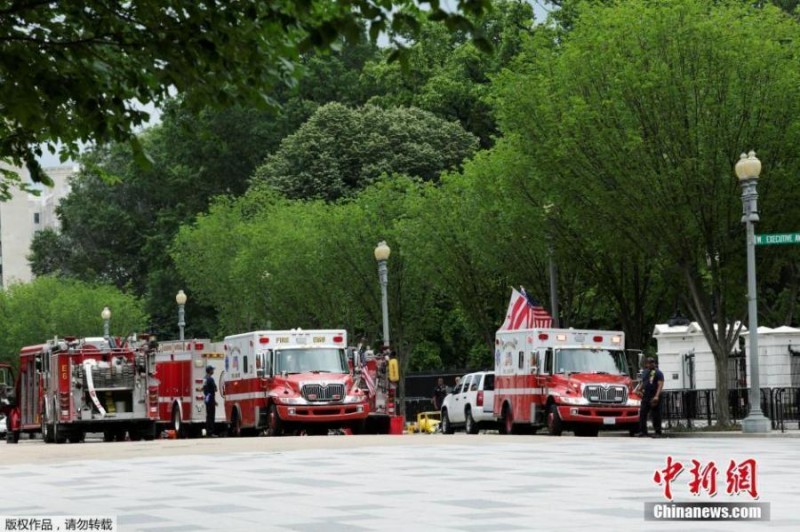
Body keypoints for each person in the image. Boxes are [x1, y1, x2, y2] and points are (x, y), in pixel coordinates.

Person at [635, 357, 664, 438]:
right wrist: (639, 389)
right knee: (643, 414)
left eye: (652, 362)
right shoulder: (645, 372)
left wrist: (657, 396)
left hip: (654, 395)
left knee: (656, 415)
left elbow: (660, 384)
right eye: (649, 363)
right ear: (646, 364)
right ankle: (643, 432)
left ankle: (658, 432)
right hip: (646, 395)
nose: (651, 364)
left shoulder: (658, 372)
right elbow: (644, 382)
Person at [203, 365, 217, 437]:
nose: (213, 371)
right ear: (210, 371)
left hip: (207, 398)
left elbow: (204, 389)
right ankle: (211, 432)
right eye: (212, 370)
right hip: (211, 399)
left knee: (208, 416)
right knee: (211, 416)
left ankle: (208, 431)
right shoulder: (211, 379)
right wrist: (213, 401)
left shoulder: (205, 378)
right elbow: (215, 388)